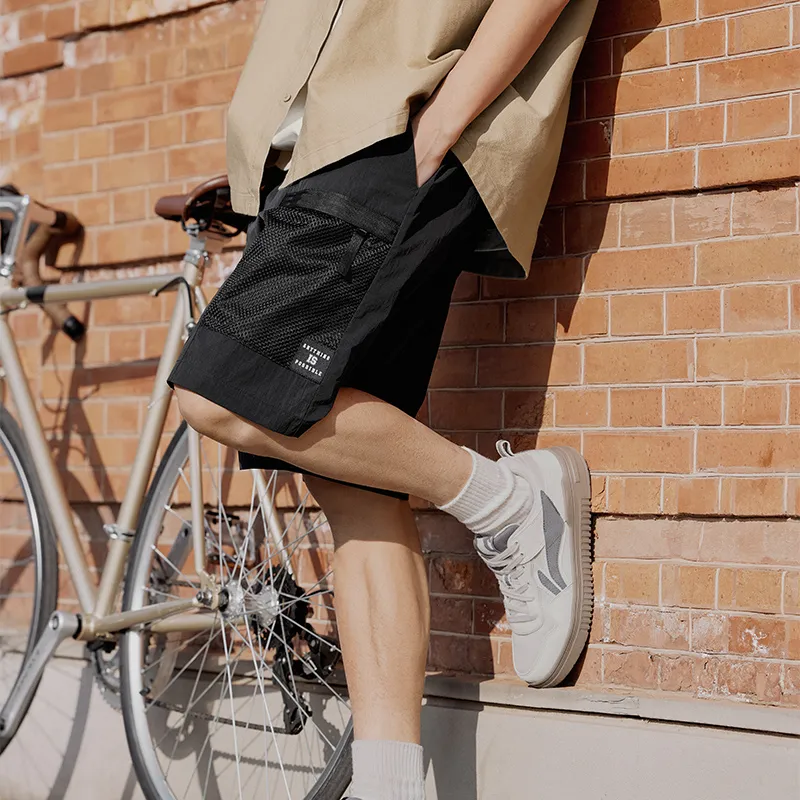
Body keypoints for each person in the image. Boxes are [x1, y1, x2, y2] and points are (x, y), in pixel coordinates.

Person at [168, 0, 598, 796]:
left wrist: (441, 126)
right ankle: (390, 785)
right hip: (308, 158)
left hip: (393, 132)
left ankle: (510, 504)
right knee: (355, 490)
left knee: (221, 391)